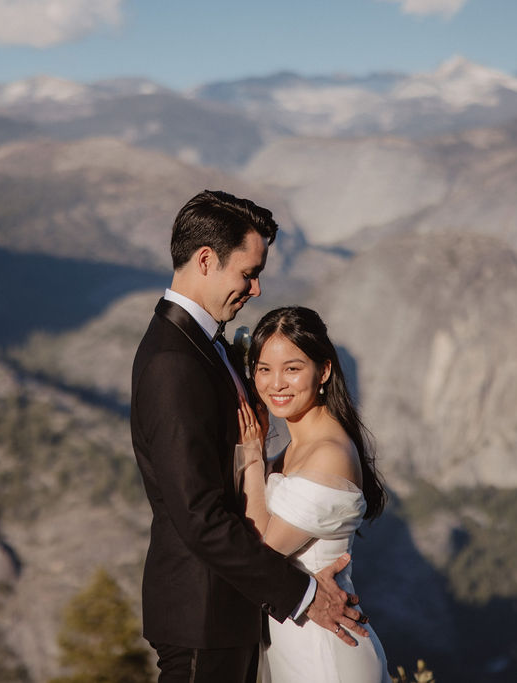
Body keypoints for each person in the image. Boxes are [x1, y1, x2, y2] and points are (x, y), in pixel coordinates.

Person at [130, 191, 369, 682]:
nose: (257, 289)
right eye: (247, 273)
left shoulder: (202, 346)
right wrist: (304, 595)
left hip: (233, 614)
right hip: (203, 616)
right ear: (205, 260)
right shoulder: (173, 364)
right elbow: (200, 517)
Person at [236, 306, 392, 682]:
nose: (276, 384)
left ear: (323, 371)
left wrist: (253, 456)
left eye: (292, 368)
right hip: (298, 641)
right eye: (264, 369)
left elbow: (263, 550)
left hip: (325, 652)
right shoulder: (297, 448)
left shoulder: (328, 453)